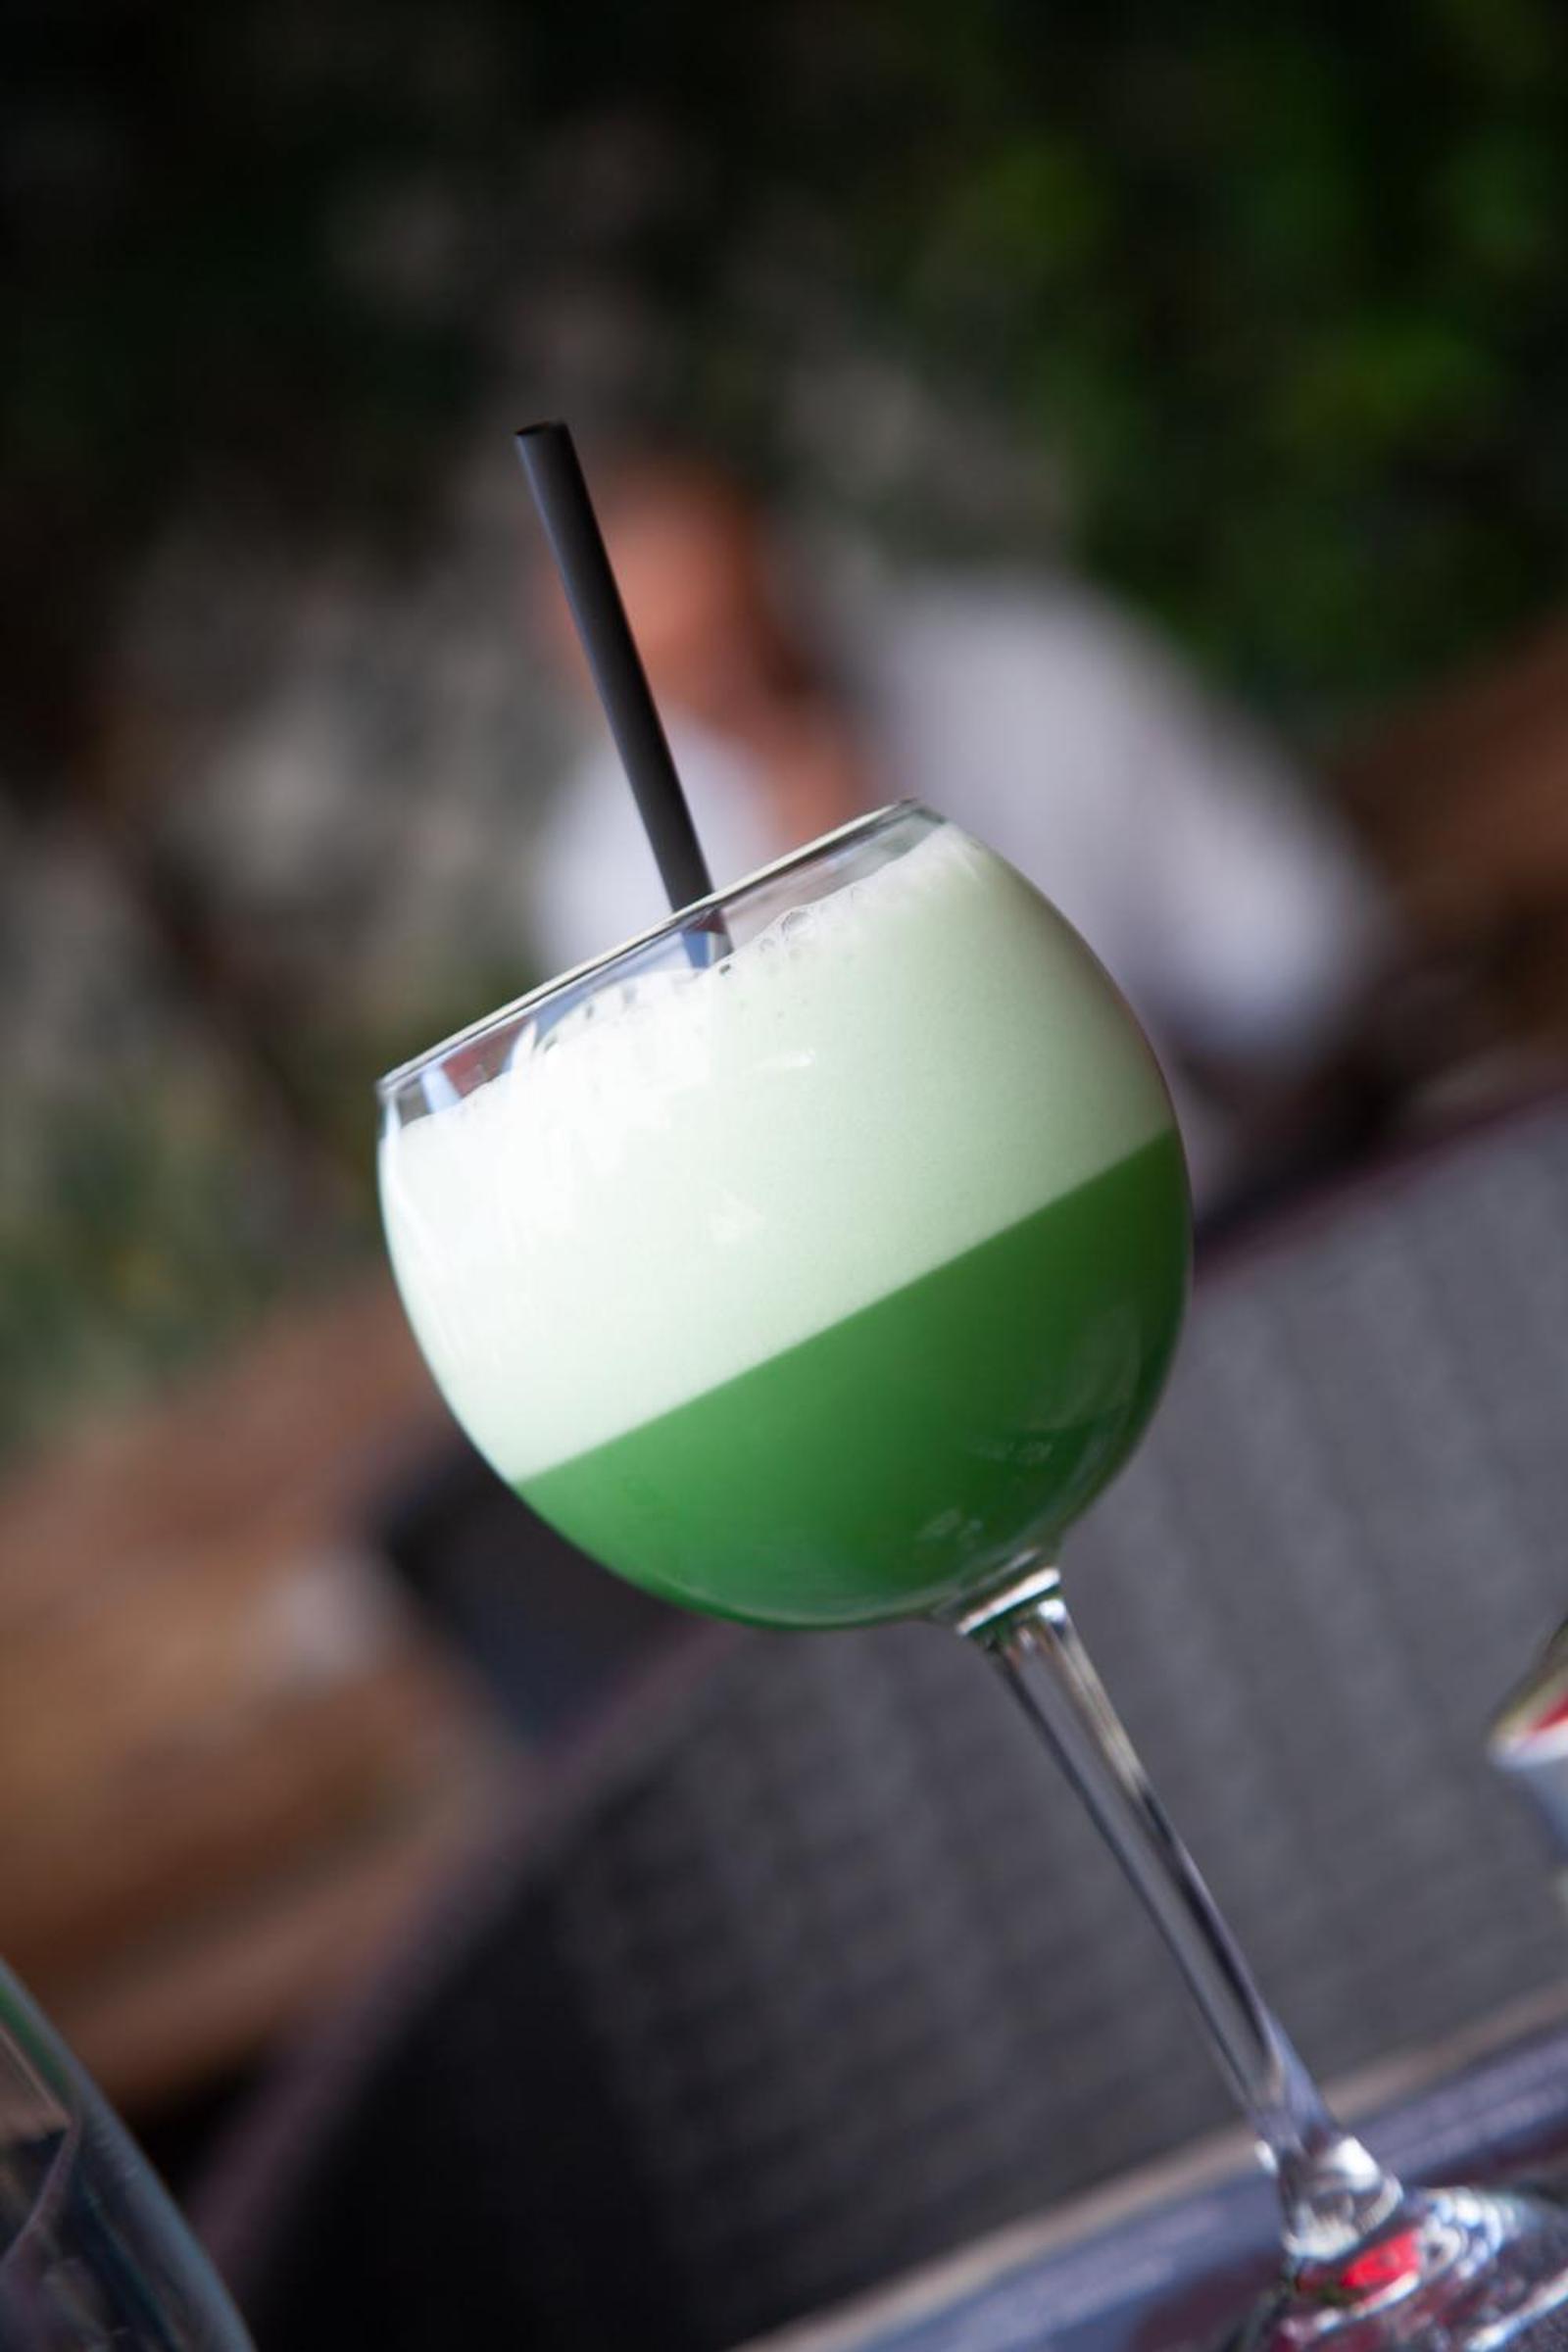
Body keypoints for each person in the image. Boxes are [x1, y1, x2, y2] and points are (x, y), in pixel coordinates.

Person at [530, 454, 1393, 1211]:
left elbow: (1291, 942)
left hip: (1198, 1204)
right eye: (683, 672)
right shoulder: (603, 884)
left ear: (779, 563)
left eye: (740, 630)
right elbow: (727, 1175)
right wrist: (806, 909)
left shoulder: (1035, 669)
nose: (735, 683)